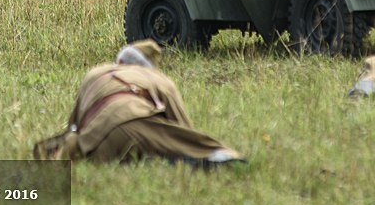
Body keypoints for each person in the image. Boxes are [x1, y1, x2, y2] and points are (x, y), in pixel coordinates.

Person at [33, 40, 243, 166]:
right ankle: (219, 159)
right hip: (134, 124)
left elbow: (74, 125)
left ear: (120, 61)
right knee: (204, 149)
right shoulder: (158, 79)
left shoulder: (96, 73)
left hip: (94, 147)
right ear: (149, 66)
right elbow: (181, 125)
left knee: (137, 157)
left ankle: (150, 160)